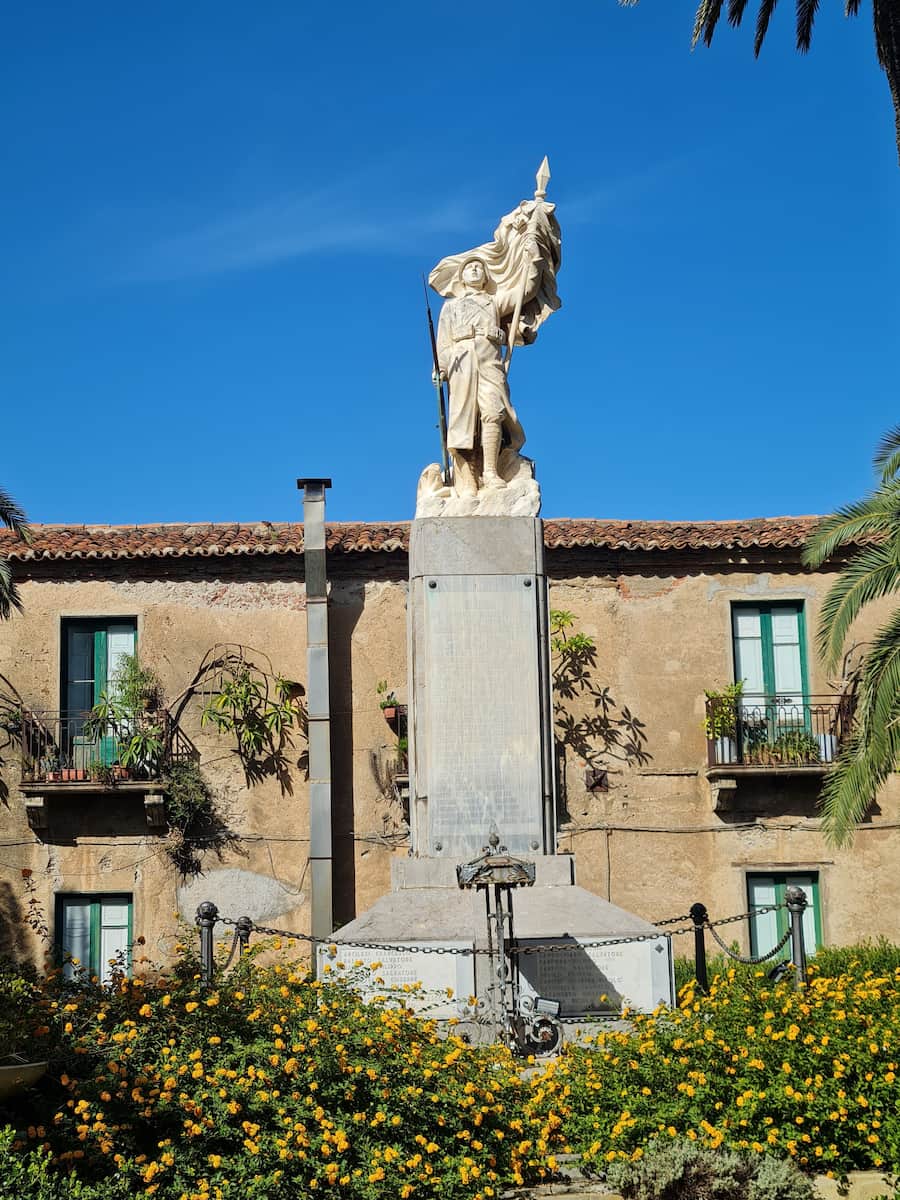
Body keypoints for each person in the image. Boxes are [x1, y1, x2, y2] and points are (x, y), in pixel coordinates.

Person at [435, 249, 541, 492]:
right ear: (462, 277)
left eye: (479, 267)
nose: (474, 270)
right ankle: (468, 475)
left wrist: (530, 260)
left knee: (494, 412)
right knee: (465, 420)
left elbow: (525, 290)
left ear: (485, 276)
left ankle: (491, 472)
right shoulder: (451, 306)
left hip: (489, 358)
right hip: (461, 360)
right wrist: (441, 367)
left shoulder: (493, 301)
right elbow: (443, 340)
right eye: (470, 267)